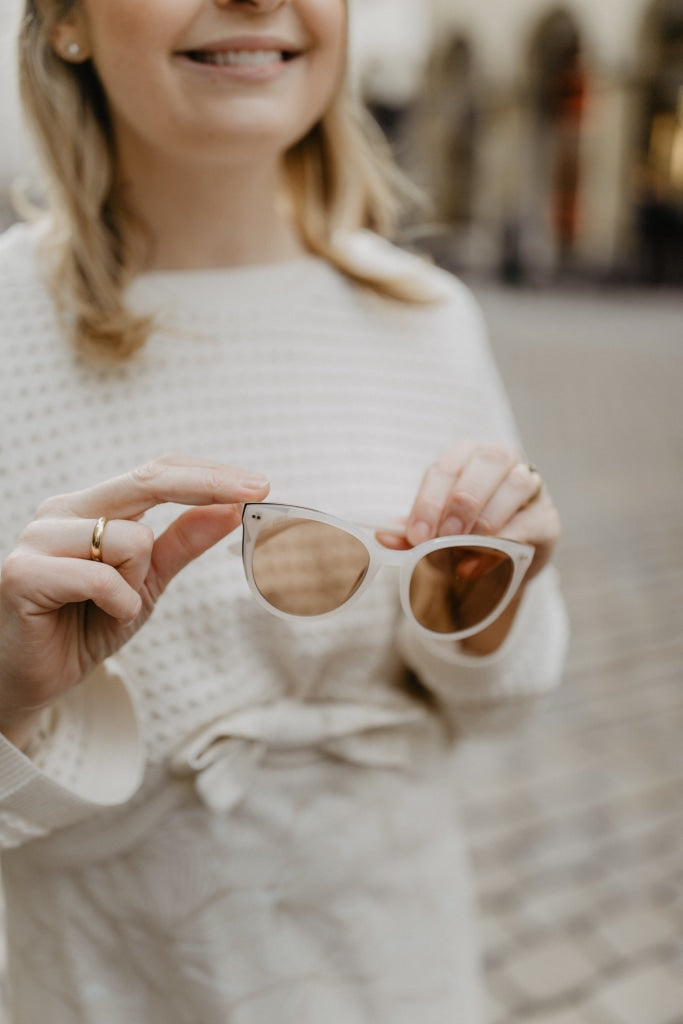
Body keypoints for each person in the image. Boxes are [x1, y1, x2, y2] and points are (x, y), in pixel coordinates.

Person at [0, 1, 569, 1021]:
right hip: (113, 981)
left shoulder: (429, 320)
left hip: (400, 969)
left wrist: (483, 599)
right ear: (67, 21)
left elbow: (499, 706)